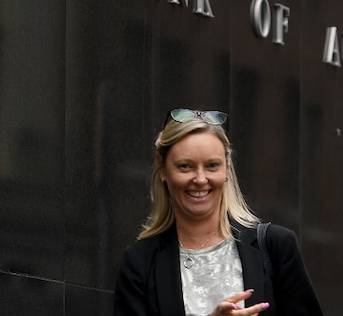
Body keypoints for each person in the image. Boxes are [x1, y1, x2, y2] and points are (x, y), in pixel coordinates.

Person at [114, 108, 323, 316]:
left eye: (212, 165)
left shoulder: (276, 247)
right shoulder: (140, 263)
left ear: (227, 167)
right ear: (162, 168)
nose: (200, 179)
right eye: (185, 166)